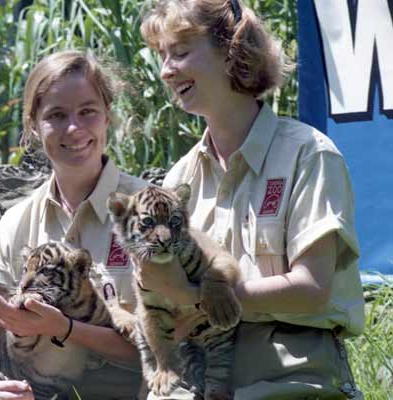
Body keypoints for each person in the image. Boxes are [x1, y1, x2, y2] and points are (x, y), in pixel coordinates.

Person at [138, 0, 365, 399]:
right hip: (198, 381)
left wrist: (196, 298)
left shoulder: (308, 154)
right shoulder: (179, 179)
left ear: (231, 48)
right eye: (162, 56)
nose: (166, 70)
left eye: (181, 51)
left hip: (293, 382)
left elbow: (312, 290)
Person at [0, 50, 148, 400]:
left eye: (87, 111)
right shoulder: (18, 223)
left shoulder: (147, 212)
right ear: (32, 125)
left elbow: (170, 352)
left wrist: (66, 329)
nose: (73, 128)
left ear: (108, 115)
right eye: (56, 115)